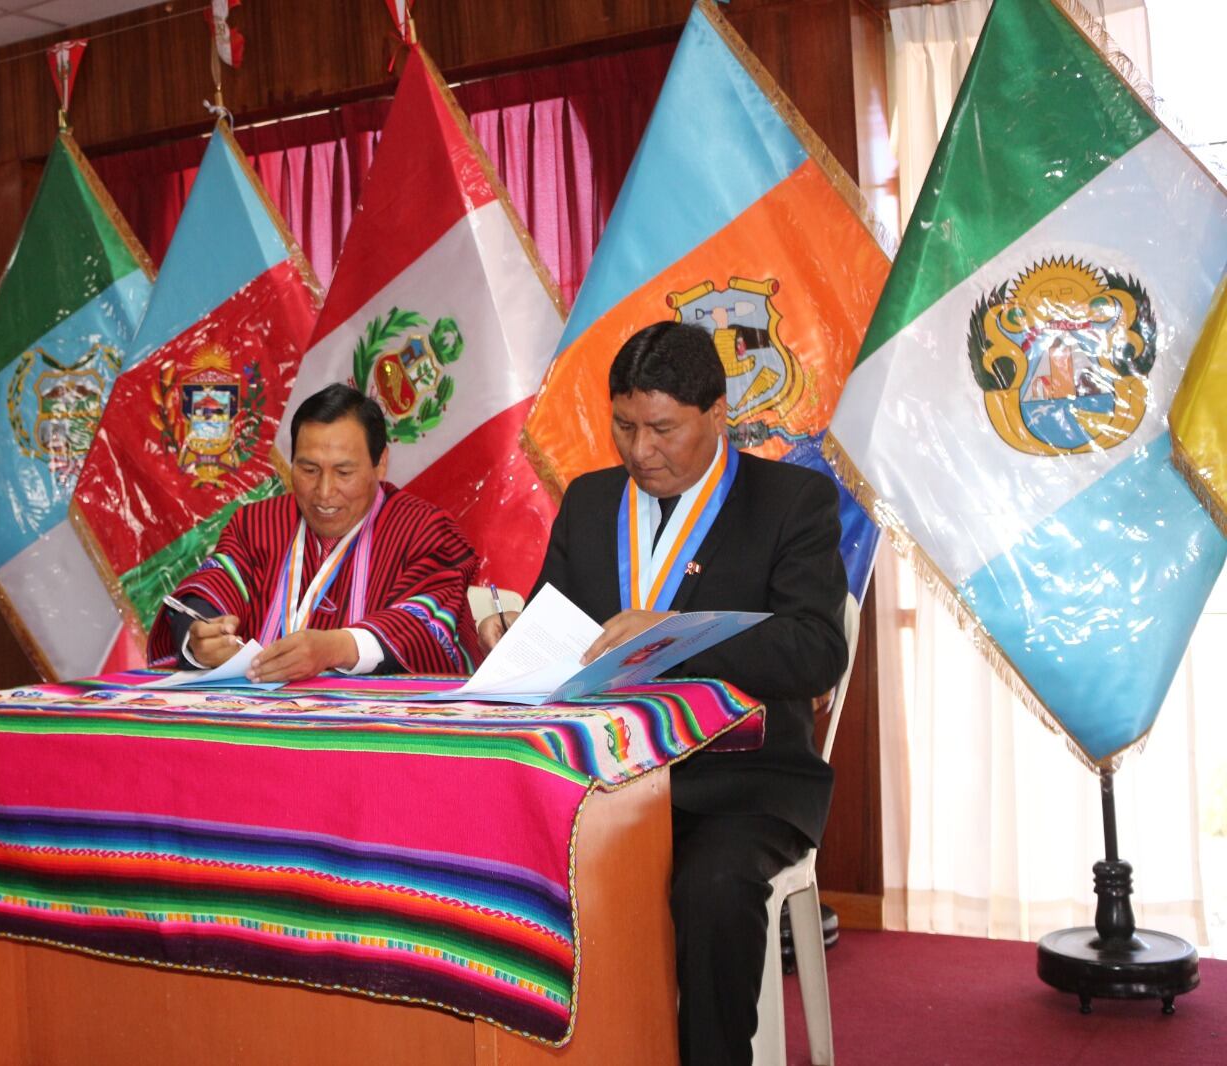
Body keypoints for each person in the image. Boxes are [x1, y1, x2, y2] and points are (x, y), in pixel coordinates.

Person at [479, 321, 847, 1066]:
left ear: (718, 413)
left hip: (742, 784)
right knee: (497, 867)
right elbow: (558, 628)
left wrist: (680, 633)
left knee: (713, 889)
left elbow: (817, 650)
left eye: (662, 429)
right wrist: (513, 643)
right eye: (624, 426)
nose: (640, 450)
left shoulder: (790, 500)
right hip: (601, 782)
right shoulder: (591, 501)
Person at [150, 383, 482, 682]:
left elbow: (430, 625)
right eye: (309, 470)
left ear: (380, 463)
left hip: (372, 726)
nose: (323, 492)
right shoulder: (257, 524)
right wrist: (201, 638)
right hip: (255, 718)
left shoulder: (425, 531)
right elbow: (211, 587)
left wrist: (336, 648)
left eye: (344, 472)